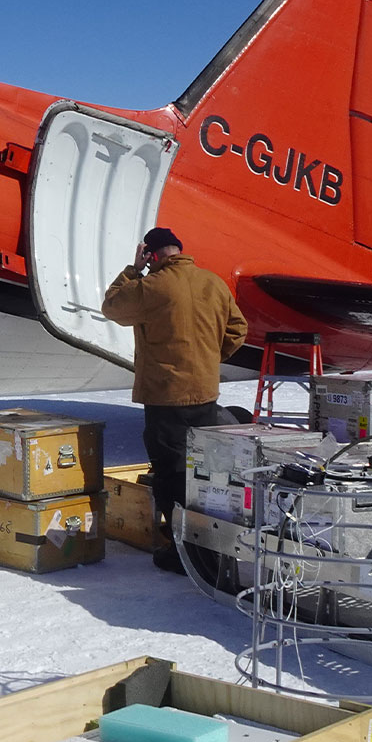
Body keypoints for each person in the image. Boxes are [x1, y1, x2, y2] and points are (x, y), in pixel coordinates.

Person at [101, 228, 248, 574]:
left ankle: (185, 552)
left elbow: (112, 306)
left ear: (152, 255)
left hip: (166, 398)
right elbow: (238, 329)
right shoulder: (213, 283)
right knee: (205, 475)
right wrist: (209, 360)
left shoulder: (152, 286)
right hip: (206, 395)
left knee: (171, 474)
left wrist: (133, 269)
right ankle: (213, 546)